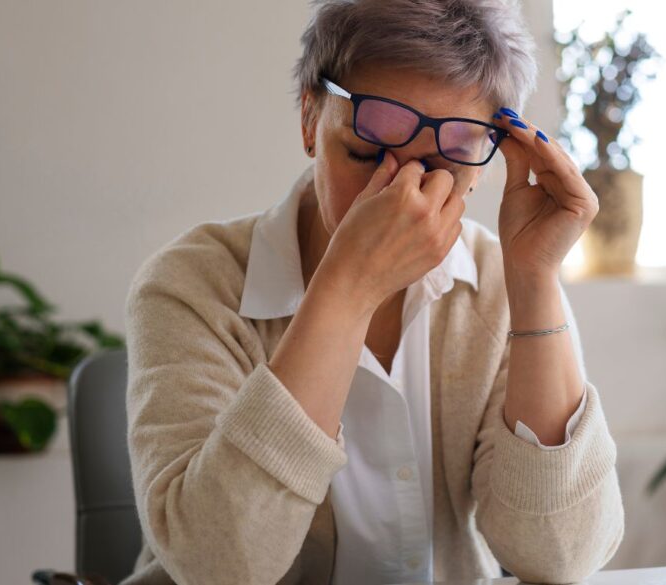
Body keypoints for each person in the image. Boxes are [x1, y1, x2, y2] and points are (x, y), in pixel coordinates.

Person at [120, 1, 623, 583]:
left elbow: (560, 556)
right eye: (365, 151)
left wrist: (535, 282)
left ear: (483, 160)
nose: (398, 193)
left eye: (442, 162)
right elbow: (217, 565)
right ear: (310, 120)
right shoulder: (190, 285)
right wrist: (347, 289)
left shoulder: (499, 283)